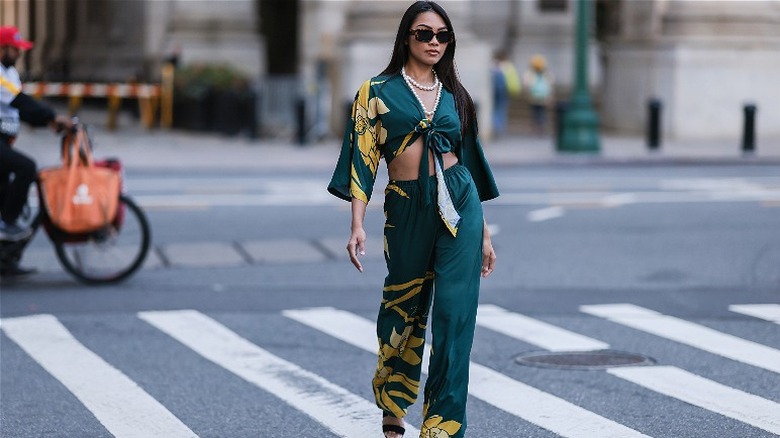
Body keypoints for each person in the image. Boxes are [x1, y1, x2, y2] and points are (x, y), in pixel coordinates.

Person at [327, 2, 499, 437]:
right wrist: (357, 223)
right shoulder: (376, 92)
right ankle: (393, 400)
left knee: (455, 316)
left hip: (460, 205)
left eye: (443, 36)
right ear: (406, 37)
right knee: (403, 309)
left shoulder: (457, 95)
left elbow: (471, 165)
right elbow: (362, 160)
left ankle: (442, 426)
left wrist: (484, 235)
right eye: (425, 34)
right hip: (406, 206)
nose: (435, 43)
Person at [0, 25, 70, 276]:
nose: (19, 53)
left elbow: (20, 111)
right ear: (2, 49)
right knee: (26, 167)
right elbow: (19, 101)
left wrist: (50, 123)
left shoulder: (9, 74)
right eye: (15, 49)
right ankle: (5, 226)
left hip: (4, 141)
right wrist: (52, 116)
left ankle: (5, 259)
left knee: (5, 191)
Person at [491, 50, 520, 139]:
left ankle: (494, 126)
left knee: (495, 109)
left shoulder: (492, 65)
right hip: (504, 90)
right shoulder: (508, 66)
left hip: (494, 90)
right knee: (501, 109)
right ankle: (499, 127)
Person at [522, 54, 554, 135]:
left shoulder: (530, 73)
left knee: (535, 111)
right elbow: (550, 84)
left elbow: (526, 83)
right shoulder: (546, 73)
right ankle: (541, 126)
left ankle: (536, 126)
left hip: (534, 96)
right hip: (543, 96)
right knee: (542, 111)